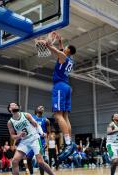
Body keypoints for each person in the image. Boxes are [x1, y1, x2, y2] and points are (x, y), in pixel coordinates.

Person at [6, 102, 64, 175]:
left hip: (34, 138)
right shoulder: (10, 122)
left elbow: (36, 124)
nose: (14, 106)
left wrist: (41, 133)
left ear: (18, 107)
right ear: (9, 109)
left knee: (40, 162)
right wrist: (19, 135)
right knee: (14, 161)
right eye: (12, 105)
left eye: (15, 105)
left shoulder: (26, 115)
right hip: (24, 141)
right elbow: (12, 136)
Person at [45, 32, 77, 161]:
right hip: (67, 87)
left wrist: (47, 41)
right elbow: (62, 51)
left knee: (58, 115)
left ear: (68, 50)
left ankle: (68, 143)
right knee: (65, 116)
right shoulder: (70, 60)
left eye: (66, 47)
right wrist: (60, 42)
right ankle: (70, 142)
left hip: (59, 86)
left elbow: (49, 47)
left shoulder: (63, 56)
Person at [26, 105, 51, 175]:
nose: (41, 107)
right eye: (39, 107)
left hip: (41, 141)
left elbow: (48, 133)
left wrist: (46, 142)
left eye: (43, 107)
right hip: (31, 140)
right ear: (35, 110)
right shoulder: (30, 118)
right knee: (28, 158)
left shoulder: (46, 120)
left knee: (40, 161)